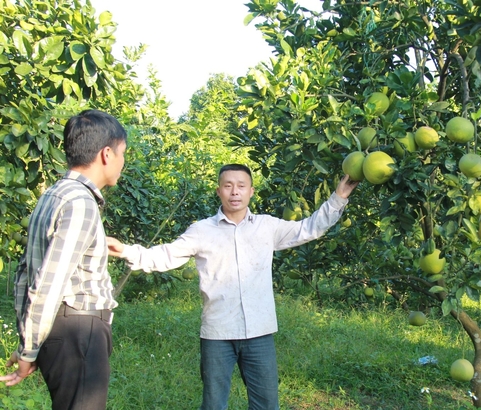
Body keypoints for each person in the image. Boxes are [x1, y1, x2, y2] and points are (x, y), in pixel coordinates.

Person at [106, 164, 359, 410]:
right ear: (219, 191)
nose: (234, 192)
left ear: (251, 191)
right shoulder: (201, 231)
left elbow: (309, 228)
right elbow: (166, 255)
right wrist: (127, 251)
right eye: (228, 186)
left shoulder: (267, 227)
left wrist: (339, 197)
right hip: (218, 334)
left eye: (241, 186)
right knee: (214, 404)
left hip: (259, 333)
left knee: (267, 404)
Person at [0, 110, 128, 409]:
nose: (123, 161)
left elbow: (26, 273)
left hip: (61, 333)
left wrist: (28, 341)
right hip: (78, 333)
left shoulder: (53, 195)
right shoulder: (81, 203)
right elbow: (49, 284)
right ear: (106, 154)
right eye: (122, 153)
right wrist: (29, 348)